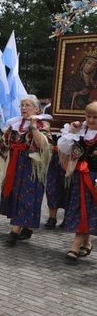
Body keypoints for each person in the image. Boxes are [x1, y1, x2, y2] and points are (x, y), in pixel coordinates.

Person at [0, 95, 52, 245]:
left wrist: (34, 125)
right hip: (15, 165)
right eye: (22, 105)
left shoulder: (43, 125)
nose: (23, 108)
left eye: (28, 105)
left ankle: (14, 233)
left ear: (36, 109)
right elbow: (3, 143)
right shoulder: (15, 125)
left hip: (32, 168)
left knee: (26, 198)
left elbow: (42, 145)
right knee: (17, 196)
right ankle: (27, 228)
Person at [56, 101, 97, 263]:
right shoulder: (81, 131)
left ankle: (75, 246)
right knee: (80, 208)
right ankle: (86, 243)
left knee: (87, 210)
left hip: (94, 180)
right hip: (80, 177)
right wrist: (72, 132)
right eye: (88, 116)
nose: (91, 120)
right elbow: (65, 149)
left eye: (95, 117)